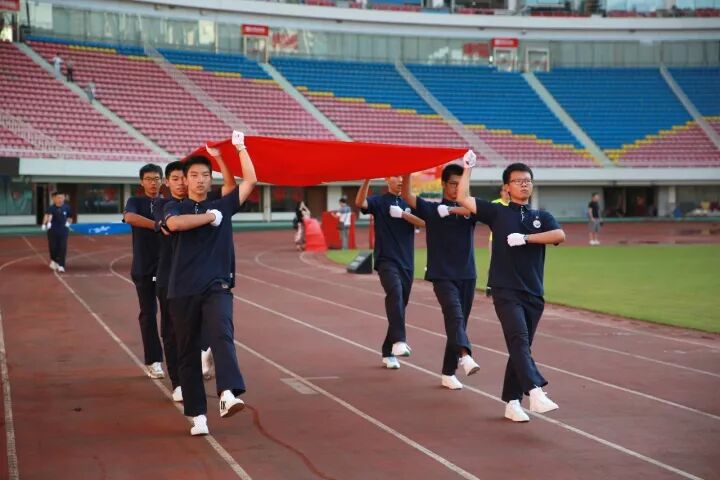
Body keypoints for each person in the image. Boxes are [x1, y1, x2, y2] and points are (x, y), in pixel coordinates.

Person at [457, 152, 566, 423]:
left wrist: (527, 238)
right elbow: (463, 198)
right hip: (505, 289)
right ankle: (535, 391)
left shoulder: (541, 216)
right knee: (518, 340)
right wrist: (467, 168)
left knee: (521, 347)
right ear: (507, 187)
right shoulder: (498, 212)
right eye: (518, 181)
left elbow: (559, 235)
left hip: (534, 292)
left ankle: (512, 402)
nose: (524, 184)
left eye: (527, 180)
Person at [164, 131, 256, 436]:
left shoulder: (223, 205)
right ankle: (198, 415)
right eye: (194, 175)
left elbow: (249, 181)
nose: (200, 180)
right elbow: (174, 225)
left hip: (217, 285)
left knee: (222, 333)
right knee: (187, 352)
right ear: (185, 180)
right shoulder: (174, 207)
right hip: (182, 289)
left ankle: (228, 393)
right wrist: (208, 218)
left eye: (206, 175)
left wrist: (238, 149)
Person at [401, 162, 481, 390]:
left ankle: (448, 372)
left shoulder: (468, 209)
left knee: (459, 325)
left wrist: (468, 170)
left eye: (461, 184)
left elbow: (474, 210)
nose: (457, 188)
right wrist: (406, 168)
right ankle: (465, 356)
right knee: (455, 317)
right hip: (442, 275)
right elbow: (407, 196)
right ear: (444, 184)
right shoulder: (431, 209)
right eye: (454, 184)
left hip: (467, 275)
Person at [356, 177, 425, 370]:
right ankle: (400, 341)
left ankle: (388, 351)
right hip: (386, 260)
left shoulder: (411, 202)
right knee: (394, 292)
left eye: (404, 176)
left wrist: (404, 215)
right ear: (387, 179)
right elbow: (360, 203)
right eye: (396, 176)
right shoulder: (379, 201)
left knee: (399, 307)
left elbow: (424, 222)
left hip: (407, 262)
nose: (401, 180)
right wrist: (367, 179)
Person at [123, 164, 165, 380]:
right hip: (143, 268)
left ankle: (181, 358)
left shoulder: (169, 203)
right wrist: (157, 225)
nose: (153, 183)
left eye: (156, 178)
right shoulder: (135, 202)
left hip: (167, 268)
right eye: (148, 179)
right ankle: (153, 360)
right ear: (141, 182)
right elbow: (129, 218)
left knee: (174, 315)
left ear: (163, 180)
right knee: (148, 314)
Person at [486, 185, 510, 296]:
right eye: (504, 191)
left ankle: (507, 286)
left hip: (511, 240)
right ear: (501, 192)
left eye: (508, 191)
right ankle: (490, 286)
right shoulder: (495, 204)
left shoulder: (514, 204)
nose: (506, 193)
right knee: (493, 262)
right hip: (495, 239)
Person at [41, 191, 72, 273]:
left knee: (63, 247)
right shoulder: (51, 208)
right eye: (58, 197)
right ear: (54, 199)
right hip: (52, 231)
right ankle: (54, 260)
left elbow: (70, 217)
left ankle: (61, 265)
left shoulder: (67, 207)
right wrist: (44, 224)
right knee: (53, 247)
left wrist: (68, 224)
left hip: (63, 231)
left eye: (62, 197)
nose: (60, 199)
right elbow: (47, 216)